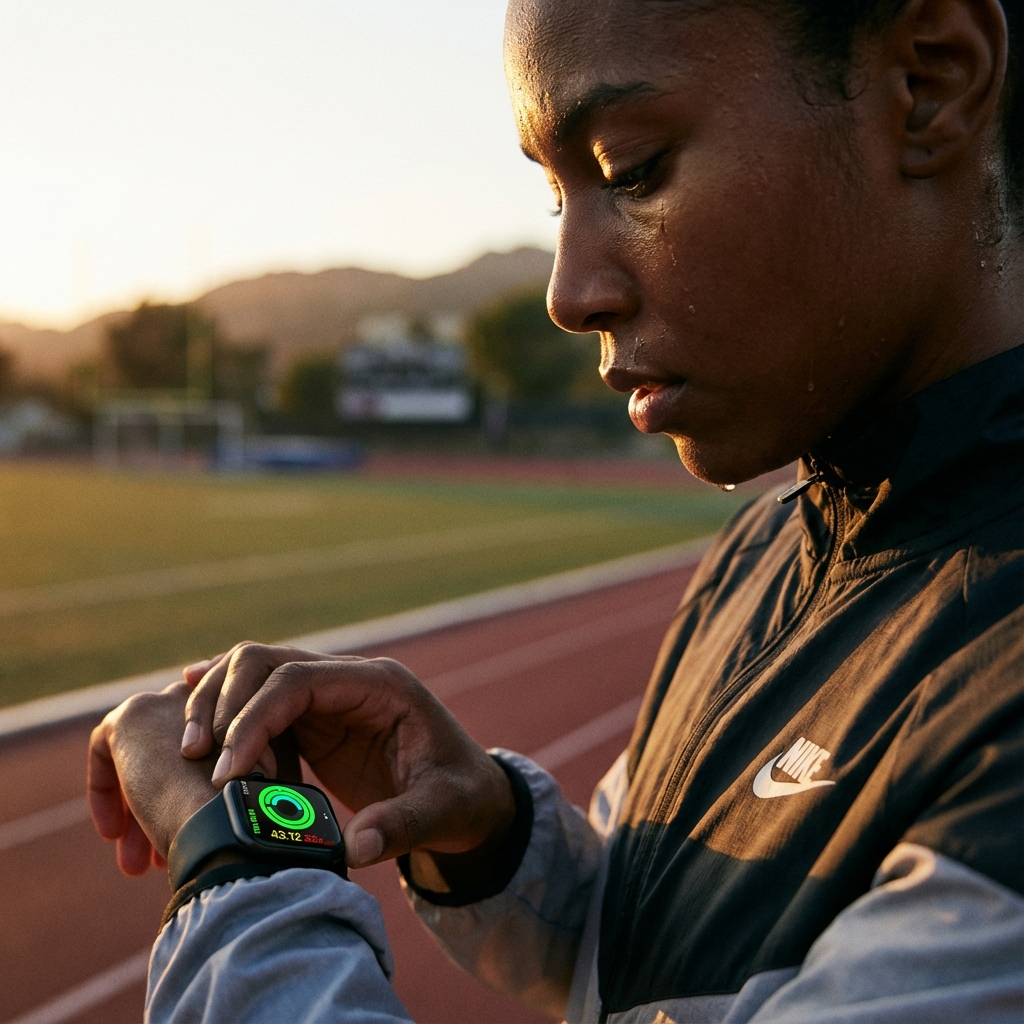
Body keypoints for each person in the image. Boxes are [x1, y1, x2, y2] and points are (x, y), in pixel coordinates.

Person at [88, 0, 1023, 1020]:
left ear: (930, 80)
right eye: (555, 198)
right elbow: (655, 959)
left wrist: (242, 879)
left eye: (632, 168)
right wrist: (492, 835)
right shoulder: (764, 550)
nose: (569, 292)